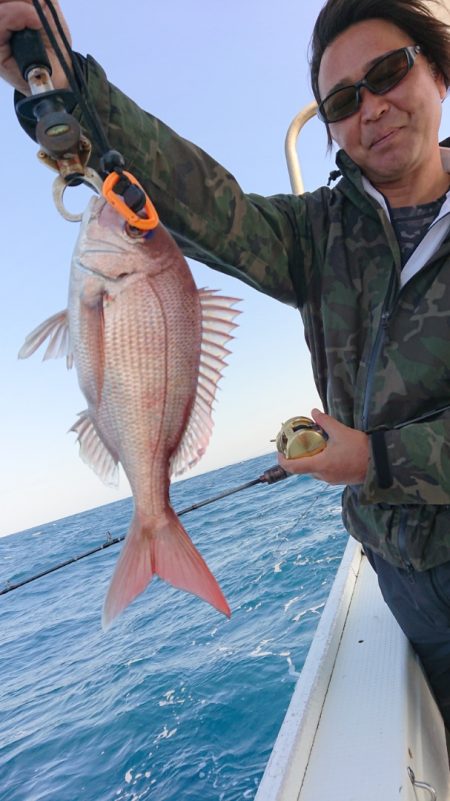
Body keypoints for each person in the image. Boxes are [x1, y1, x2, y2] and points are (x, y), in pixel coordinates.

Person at [2, 0, 450, 727]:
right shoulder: (316, 237)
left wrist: (374, 458)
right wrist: (61, 80)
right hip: (406, 581)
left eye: (389, 72)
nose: (371, 107)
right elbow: (202, 201)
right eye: (341, 99)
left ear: (437, 69)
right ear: (330, 125)